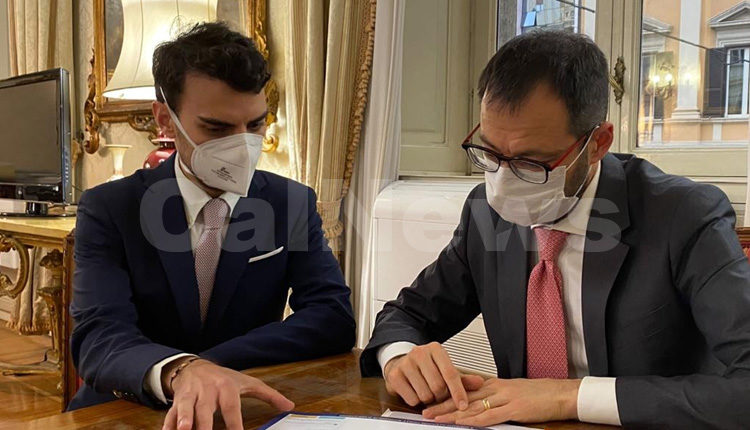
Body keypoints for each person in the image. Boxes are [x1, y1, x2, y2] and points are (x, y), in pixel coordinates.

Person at [361, 30, 750, 429]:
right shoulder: (485, 214)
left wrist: (567, 396)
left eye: (532, 163)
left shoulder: (683, 216)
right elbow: (407, 314)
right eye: (489, 153)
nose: (503, 182)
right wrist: (400, 357)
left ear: (598, 143)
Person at [70, 22, 356, 430]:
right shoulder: (111, 208)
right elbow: (99, 337)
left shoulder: (290, 202)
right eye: (217, 128)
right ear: (165, 120)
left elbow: (332, 317)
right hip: (128, 410)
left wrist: (204, 366)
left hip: (244, 405)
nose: (242, 146)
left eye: (255, 125)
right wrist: (176, 371)